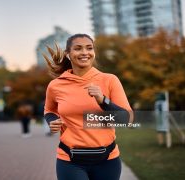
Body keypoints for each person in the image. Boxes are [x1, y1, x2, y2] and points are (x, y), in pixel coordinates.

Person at [44, 34, 133, 180]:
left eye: (89, 48)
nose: (85, 52)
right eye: (78, 48)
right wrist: (52, 121)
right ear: (68, 54)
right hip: (70, 160)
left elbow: (127, 119)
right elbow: (49, 110)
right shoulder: (55, 85)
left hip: (107, 160)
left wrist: (103, 100)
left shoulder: (110, 80)